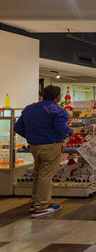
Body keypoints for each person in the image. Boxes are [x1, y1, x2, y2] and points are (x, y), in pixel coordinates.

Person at [14, 85, 73, 217]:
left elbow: (18, 127)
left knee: (39, 173)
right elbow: (60, 128)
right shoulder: (58, 110)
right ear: (57, 96)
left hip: (34, 146)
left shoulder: (30, 108)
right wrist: (70, 131)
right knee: (46, 175)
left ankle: (35, 202)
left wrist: (32, 137)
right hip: (51, 146)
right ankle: (41, 206)